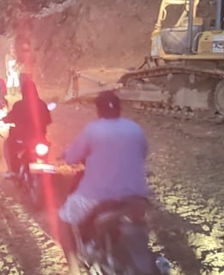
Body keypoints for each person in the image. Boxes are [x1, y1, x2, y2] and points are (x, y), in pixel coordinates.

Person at [56, 90, 152, 275]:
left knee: (63, 220)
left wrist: (66, 155)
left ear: (98, 110)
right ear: (119, 108)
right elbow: (142, 153)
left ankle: (74, 269)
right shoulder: (135, 128)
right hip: (136, 196)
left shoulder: (93, 129)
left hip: (98, 195)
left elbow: (73, 157)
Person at [1, 76, 52, 178]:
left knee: (7, 144)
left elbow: (10, 117)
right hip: (40, 138)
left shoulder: (19, 105)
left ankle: (11, 170)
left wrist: (4, 120)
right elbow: (48, 121)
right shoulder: (42, 104)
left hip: (22, 138)